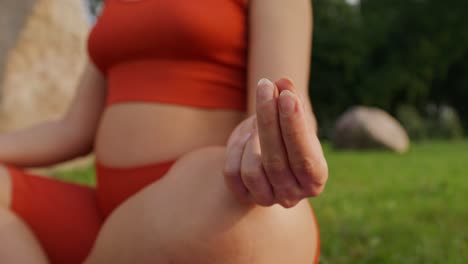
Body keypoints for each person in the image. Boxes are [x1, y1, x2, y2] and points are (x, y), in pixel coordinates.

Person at [0, 0, 328, 263]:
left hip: (198, 213)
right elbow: (72, 130)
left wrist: (274, 147)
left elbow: (277, 103)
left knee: (249, 216)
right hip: (101, 217)